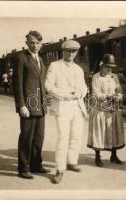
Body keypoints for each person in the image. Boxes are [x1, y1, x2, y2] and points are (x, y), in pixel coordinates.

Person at [45, 40, 88, 184]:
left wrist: (80, 93)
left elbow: (84, 88)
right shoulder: (55, 66)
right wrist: (64, 94)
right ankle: (60, 169)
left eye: (74, 51)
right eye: (68, 51)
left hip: (77, 105)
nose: (71, 54)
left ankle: (72, 161)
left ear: (76, 53)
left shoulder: (78, 69)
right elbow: (48, 85)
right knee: (63, 137)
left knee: (76, 135)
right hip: (62, 105)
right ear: (63, 51)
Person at [12, 31, 49, 179]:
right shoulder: (21, 58)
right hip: (28, 105)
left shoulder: (40, 59)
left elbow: (42, 84)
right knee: (26, 138)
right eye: (32, 42)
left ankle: (36, 164)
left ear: (41, 44)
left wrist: (46, 103)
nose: (35, 45)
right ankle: (24, 168)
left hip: (41, 106)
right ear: (27, 43)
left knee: (39, 138)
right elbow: (17, 84)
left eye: (37, 43)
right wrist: (21, 105)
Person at [87, 54, 125, 167]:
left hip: (113, 109)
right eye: (107, 66)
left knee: (114, 132)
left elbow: (119, 89)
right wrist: (109, 96)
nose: (109, 69)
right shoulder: (96, 77)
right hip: (100, 109)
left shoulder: (114, 77)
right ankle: (97, 157)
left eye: (111, 67)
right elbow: (96, 93)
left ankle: (114, 155)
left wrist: (119, 95)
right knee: (99, 133)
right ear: (102, 66)